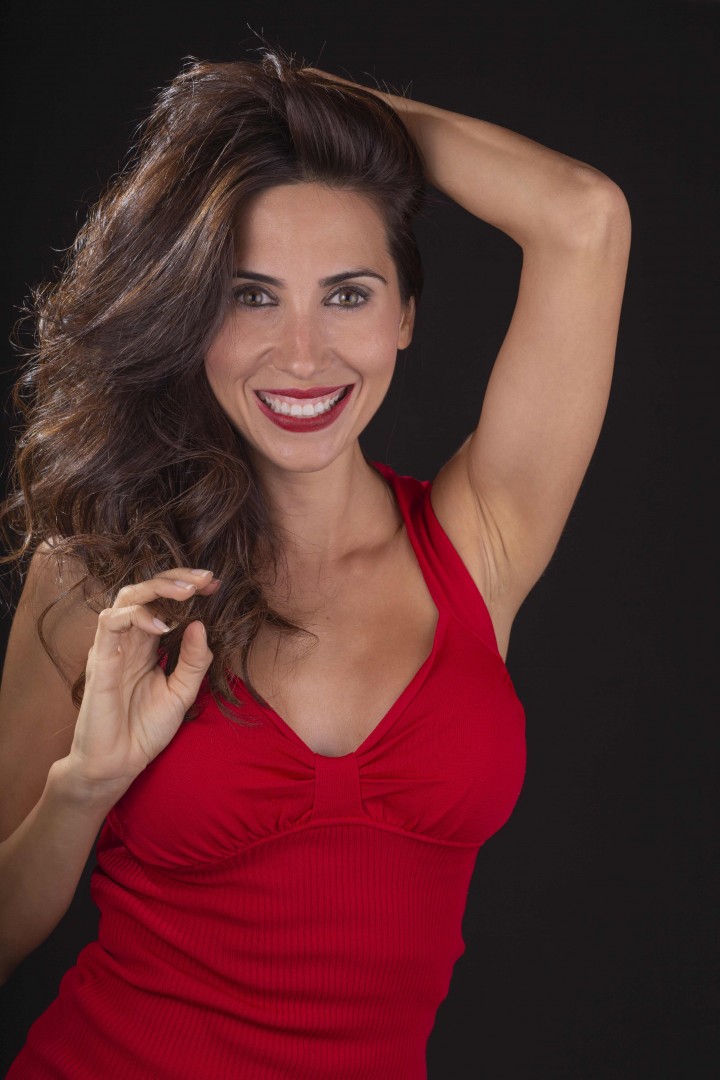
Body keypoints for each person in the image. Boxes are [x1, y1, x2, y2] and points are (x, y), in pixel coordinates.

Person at [0, 46, 631, 1079]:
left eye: (347, 296)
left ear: (405, 315)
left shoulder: (482, 541)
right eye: (251, 296)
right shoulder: (98, 580)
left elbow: (583, 216)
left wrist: (276, 105)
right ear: (193, 317)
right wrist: (83, 789)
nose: (302, 353)